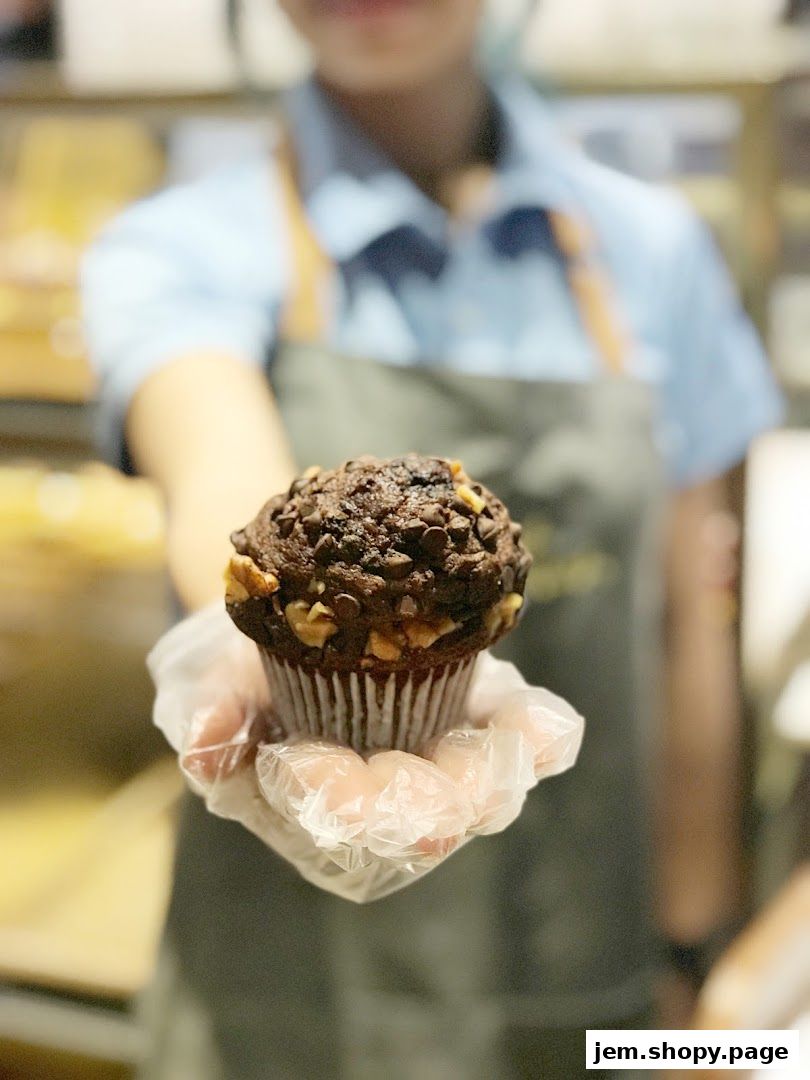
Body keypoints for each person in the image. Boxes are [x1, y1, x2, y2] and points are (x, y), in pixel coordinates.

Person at [82, 1, 782, 1077]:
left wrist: (699, 954)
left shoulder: (653, 248)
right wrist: (236, 641)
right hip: (275, 995)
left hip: (585, 950)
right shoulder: (179, 243)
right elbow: (217, 463)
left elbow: (695, 613)